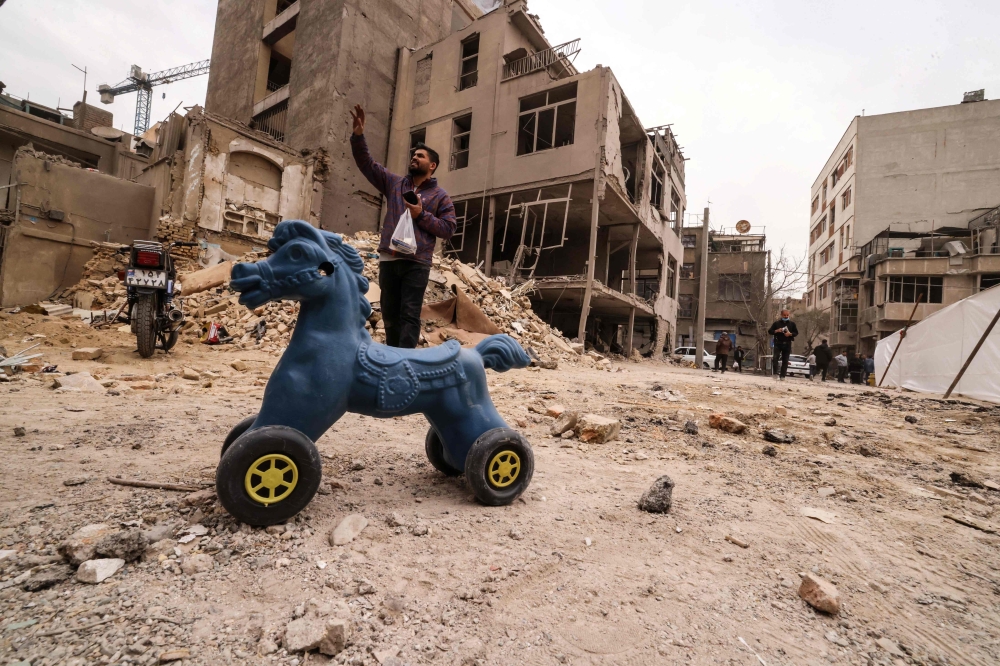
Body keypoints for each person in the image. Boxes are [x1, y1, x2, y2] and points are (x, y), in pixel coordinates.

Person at [350, 105, 456, 348]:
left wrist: (421, 215)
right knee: (390, 316)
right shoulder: (395, 183)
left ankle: (406, 362)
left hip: (417, 262)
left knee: (409, 315)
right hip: (390, 258)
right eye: (414, 154)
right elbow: (367, 164)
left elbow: (448, 228)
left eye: (420, 156)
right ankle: (392, 359)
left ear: (432, 166)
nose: (414, 157)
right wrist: (358, 136)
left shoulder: (441, 196)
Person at [767, 309, 798, 380]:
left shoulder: (792, 324)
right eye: (784, 315)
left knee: (785, 360)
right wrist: (777, 330)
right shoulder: (776, 323)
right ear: (781, 315)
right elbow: (770, 331)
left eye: (787, 315)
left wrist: (790, 334)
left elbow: (796, 333)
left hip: (787, 344)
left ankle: (783, 376)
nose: (786, 316)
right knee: (775, 358)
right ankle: (775, 373)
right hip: (778, 343)